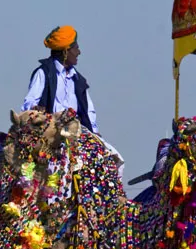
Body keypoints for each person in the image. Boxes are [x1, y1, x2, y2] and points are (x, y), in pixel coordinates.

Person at [21, 25, 123, 176]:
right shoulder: (44, 73)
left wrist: (94, 133)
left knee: (114, 160)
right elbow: (29, 103)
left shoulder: (78, 80)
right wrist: (36, 110)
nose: (79, 52)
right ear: (65, 51)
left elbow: (88, 110)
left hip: (78, 134)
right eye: (76, 48)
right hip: (51, 135)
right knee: (55, 170)